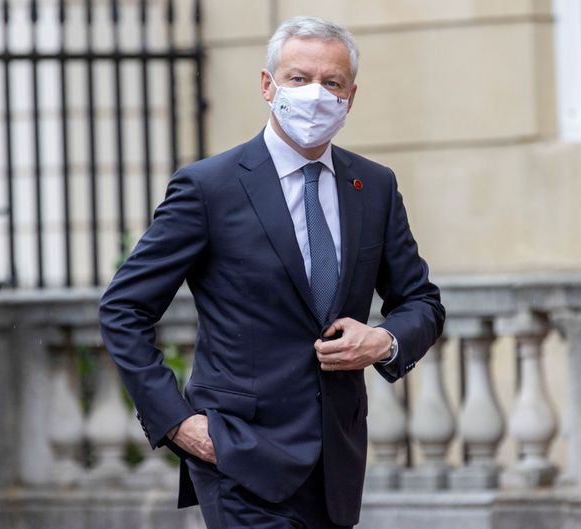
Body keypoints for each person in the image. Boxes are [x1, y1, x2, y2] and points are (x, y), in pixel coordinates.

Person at [99, 15, 445, 529]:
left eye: (331, 83)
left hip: (336, 462)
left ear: (351, 96)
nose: (315, 95)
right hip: (238, 457)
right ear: (268, 85)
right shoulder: (208, 188)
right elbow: (123, 309)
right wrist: (178, 424)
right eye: (298, 79)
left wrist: (385, 341)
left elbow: (421, 301)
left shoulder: (373, 186)